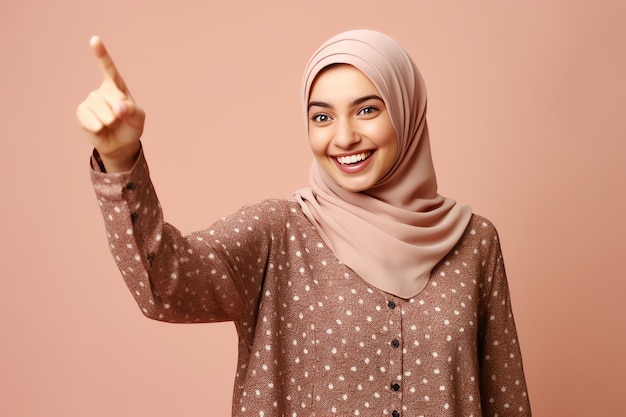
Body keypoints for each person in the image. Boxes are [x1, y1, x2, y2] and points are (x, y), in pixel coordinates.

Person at [77, 29, 531, 417]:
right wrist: (120, 160)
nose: (344, 136)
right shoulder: (279, 233)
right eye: (322, 116)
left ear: (407, 111)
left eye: (368, 109)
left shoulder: (475, 243)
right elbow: (165, 284)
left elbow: (504, 400)